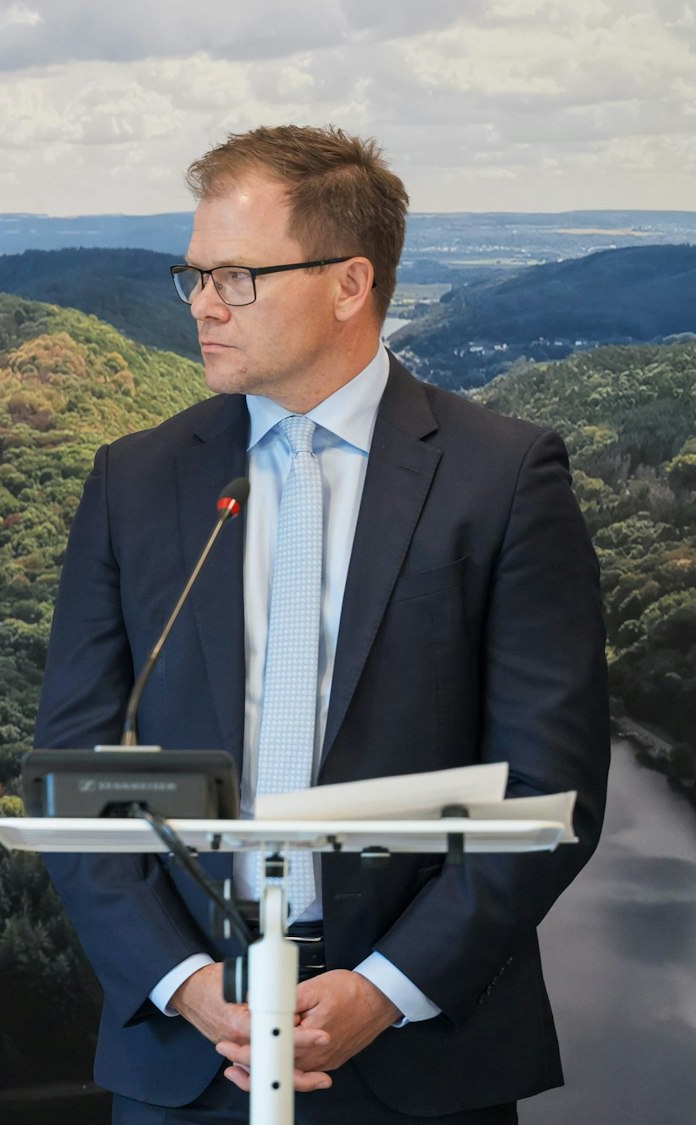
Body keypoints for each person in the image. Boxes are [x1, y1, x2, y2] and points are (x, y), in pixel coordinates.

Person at [36, 126, 609, 1123]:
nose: (203, 305)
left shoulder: (503, 478)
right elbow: (77, 767)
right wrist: (180, 981)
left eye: (235, 276)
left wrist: (385, 987)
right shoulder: (133, 480)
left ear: (349, 285)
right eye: (193, 275)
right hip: (188, 1053)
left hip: (420, 1051)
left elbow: (545, 785)